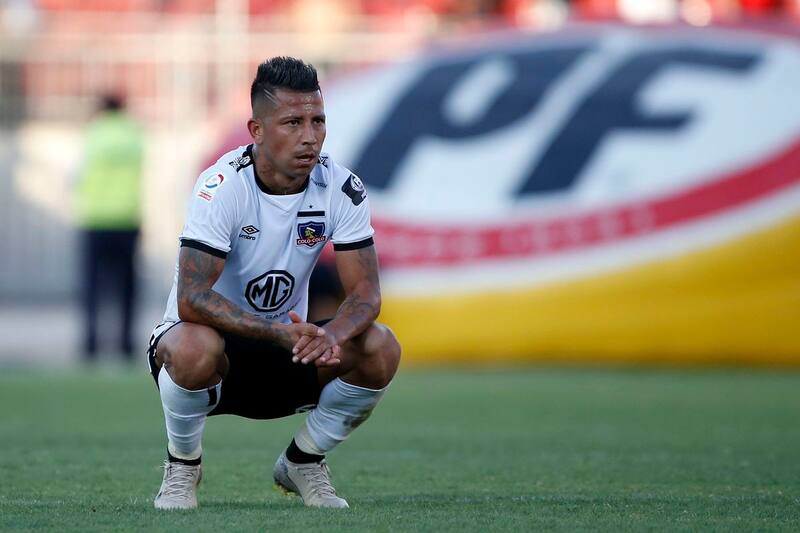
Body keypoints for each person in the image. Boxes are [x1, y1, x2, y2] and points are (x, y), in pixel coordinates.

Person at [147, 57, 401, 510]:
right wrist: (280, 333)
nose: (310, 136)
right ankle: (182, 467)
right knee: (193, 346)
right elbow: (191, 299)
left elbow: (365, 295)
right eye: (292, 122)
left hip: (289, 349)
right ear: (257, 130)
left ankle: (304, 460)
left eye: (317, 120)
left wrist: (329, 337)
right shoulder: (221, 186)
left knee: (380, 347)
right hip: (213, 356)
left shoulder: (341, 187)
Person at [75, 93, 144, 361]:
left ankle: (91, 343)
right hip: (127, 218)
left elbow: (78, 173)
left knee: (93, 286)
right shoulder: (134, 135)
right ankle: (126, 343)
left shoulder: (93, 134)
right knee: (127, 286)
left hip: (96, 219)